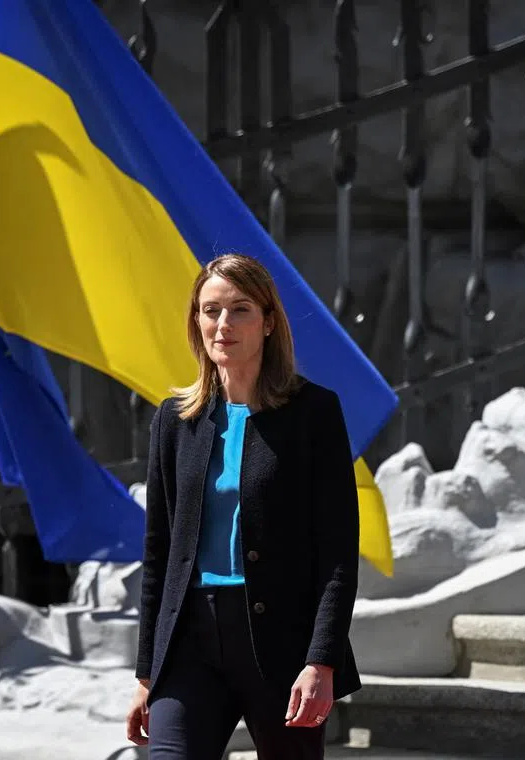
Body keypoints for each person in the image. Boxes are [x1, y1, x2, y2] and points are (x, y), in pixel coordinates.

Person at [125, 253, 361, 760]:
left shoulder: (314, 413)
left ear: (269, 322)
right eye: (210, 311)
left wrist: (322, 661)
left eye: (240, 310)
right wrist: (148, 672)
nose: (223, 324)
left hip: (280, 645)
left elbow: (338, 552)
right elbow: (159, 552)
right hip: (190, 643)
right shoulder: (174, 421)